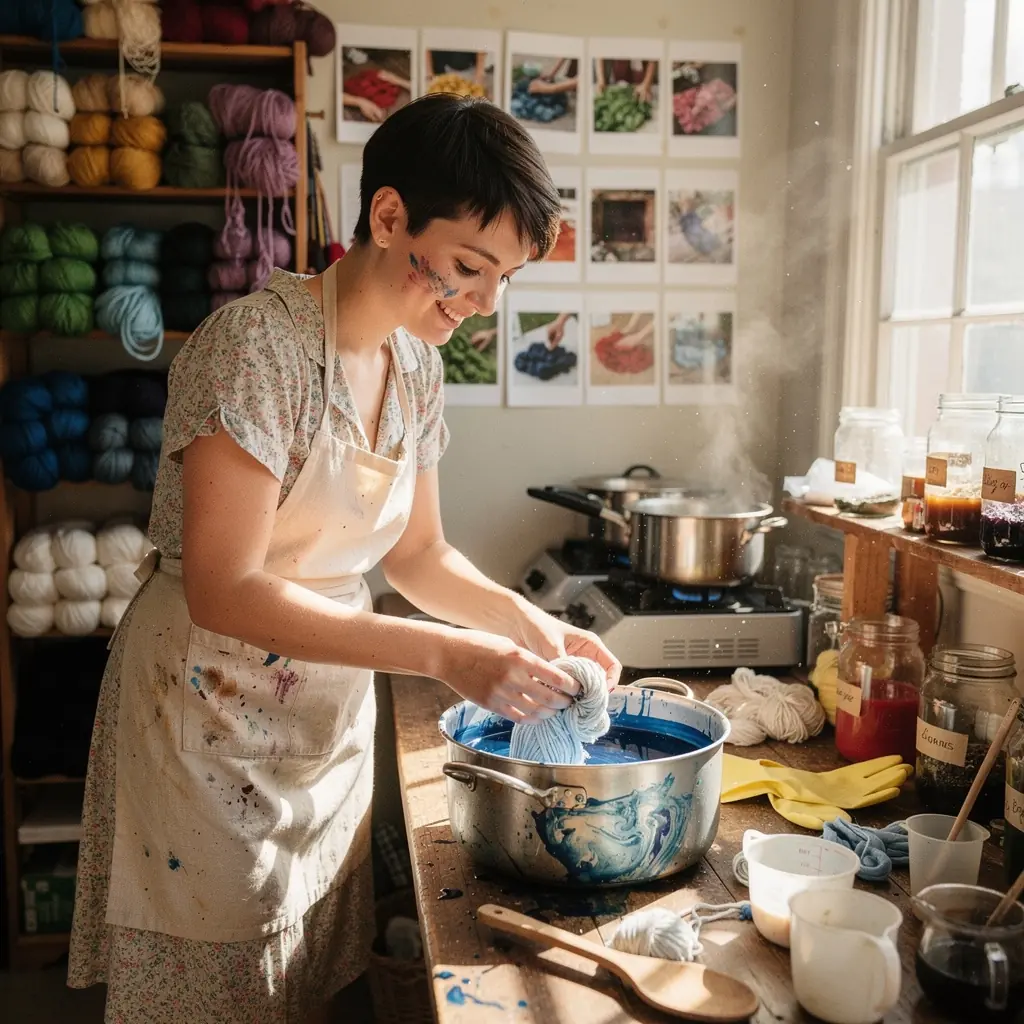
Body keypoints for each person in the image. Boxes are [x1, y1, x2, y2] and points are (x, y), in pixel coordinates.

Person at [67, 94, 620, 1024]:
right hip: (205, 709)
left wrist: (536, 625)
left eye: (505, 279)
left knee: (301, 982)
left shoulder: (417, 366)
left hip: (321, 716)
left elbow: (421, 553)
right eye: (467, 268)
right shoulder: (257, 348)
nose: (485, 303)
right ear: (390, 216)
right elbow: (224, 587)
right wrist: (446, 655)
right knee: (217, 990)